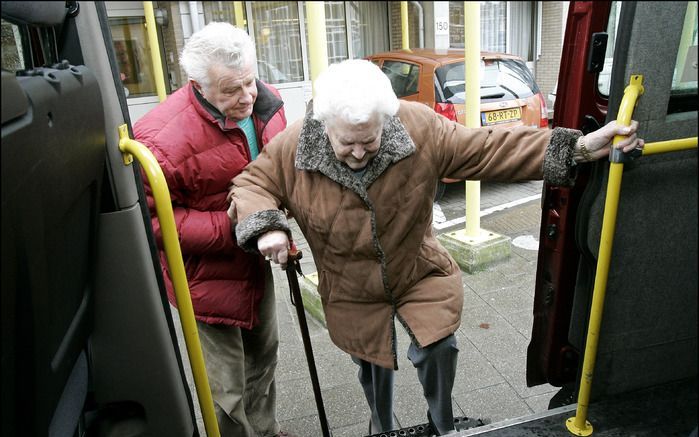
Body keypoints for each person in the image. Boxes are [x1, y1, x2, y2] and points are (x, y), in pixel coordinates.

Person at [227, 59, 644, 436]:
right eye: (347, 143)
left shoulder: (418, 125)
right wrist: (268, 227)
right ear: (325, 125)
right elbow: (252, 183)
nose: (358, 153)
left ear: (385, 120)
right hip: (349, 282)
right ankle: (380, 425)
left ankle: (442, 423)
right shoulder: (296, 142)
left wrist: (580, 147)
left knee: (439, 344)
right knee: (370, 363)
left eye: (368, 141)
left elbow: (489, 148)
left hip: (416, 266)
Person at [133, 22, 293, 437]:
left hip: (253, 257)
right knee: (226, 385)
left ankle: (265, 430)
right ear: (198, 86)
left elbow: (277, 170)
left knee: (264, 357)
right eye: (231, 90)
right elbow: (150, 221)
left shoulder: (266, 102)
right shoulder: (158, 140)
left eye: (249, 82)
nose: (247, 96)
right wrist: (235, 226)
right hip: (204, 276)